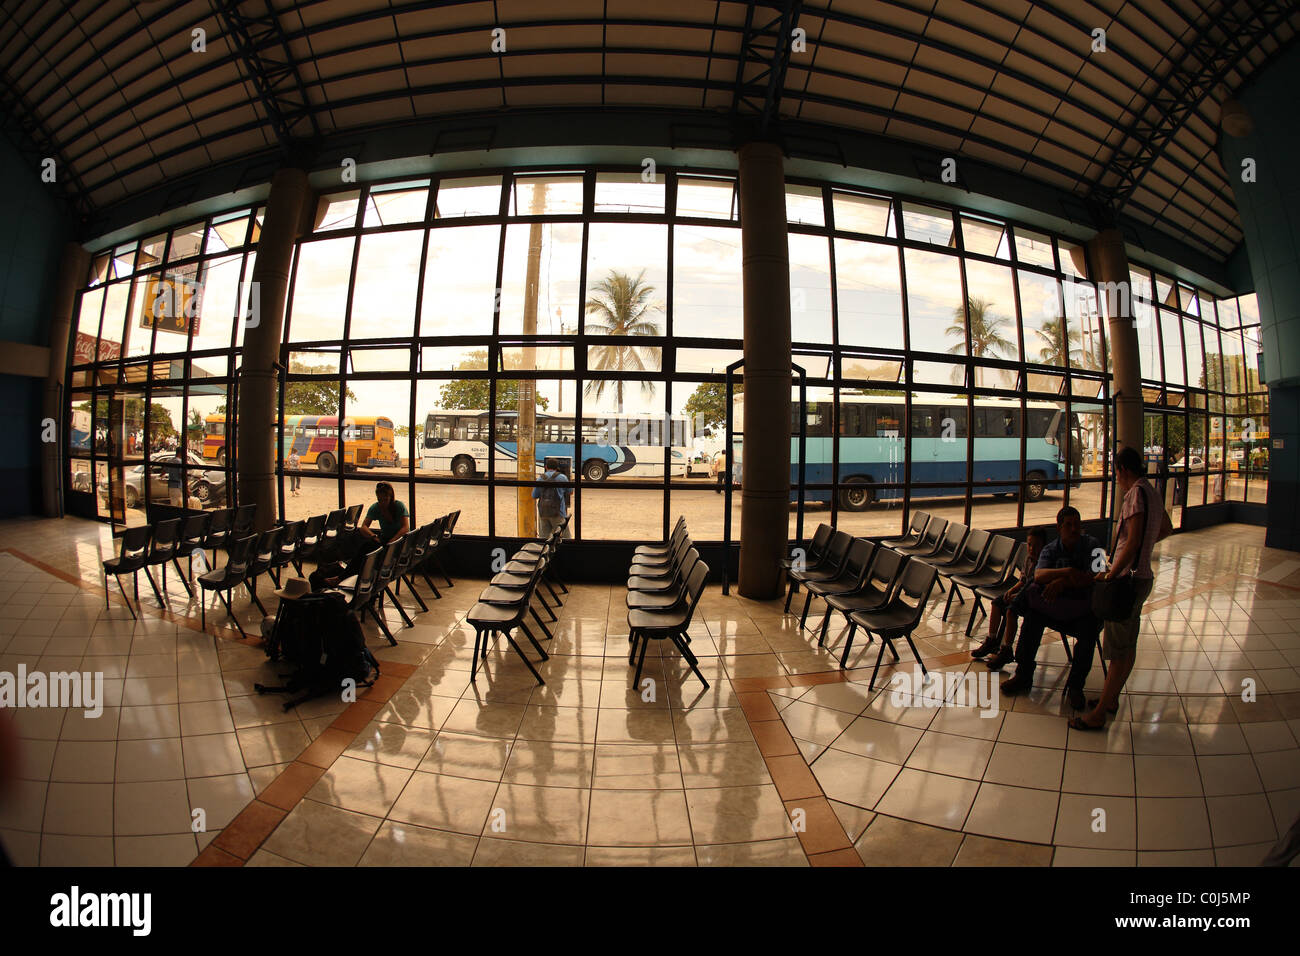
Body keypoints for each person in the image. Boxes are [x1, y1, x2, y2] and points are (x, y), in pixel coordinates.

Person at [1070, 445, 1165, 731]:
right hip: (1143, 577)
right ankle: (1111, 700)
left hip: (1127, 581)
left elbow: (1133, 540)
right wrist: (1143, 551)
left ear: (1123, 470)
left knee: (1117, 649)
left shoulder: (1135, 493)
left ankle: (1099, 713)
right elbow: (1165, 529)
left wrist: (1112, 573)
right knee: (1128, 644)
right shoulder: (1152, 491)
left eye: (1116, 473)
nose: (1117, 479)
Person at [1000, 506, 1103, 710]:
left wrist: (1063, 583)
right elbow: (1039, 576)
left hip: (1083, 608)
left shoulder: (1094, 545)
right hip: (1055, 606)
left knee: (1088, 632)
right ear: (1059, 527)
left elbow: (1099, 576)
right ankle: (1023, 673)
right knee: (1032, 618)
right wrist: (1068, 572)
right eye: (1068, 525)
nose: (1074, 529)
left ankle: (1075, 687)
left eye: (1077, 524)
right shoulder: (1050, 549)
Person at [310, 483, 409, 590]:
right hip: (384, 542)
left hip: (397, 543)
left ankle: (341, 578)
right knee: (365, 551)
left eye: (385, 500)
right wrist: (373, 535)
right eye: (380, 500)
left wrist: (392, 542)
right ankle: (345, 577)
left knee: (364, 551)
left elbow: (405, 528)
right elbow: (364, 527)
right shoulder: (376, 507)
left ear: (391, 497)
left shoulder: (399, 506)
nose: (382, 503)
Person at [971, 527, 1046, 668]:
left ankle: (1006, 649)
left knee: (1010, 611)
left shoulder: (1044, 563)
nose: (1032, 549)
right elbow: (1022, 580)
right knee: (996, 603)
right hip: (1022, 593)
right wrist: (1011, 590)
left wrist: (1017, 596)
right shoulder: (1029, 559)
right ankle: (992, 640)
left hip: (1032, 597)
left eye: (1036, 546)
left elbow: (1037, 588)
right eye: (1030, 545)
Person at [532, 458, 571, 539]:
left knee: (544, 539)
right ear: (557, 467)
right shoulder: (562, 478)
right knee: (565, 537)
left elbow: (534, 495)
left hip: (543, 512)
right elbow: (570, 492)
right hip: (558, 512)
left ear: (546, 467)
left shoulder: (540, 478)